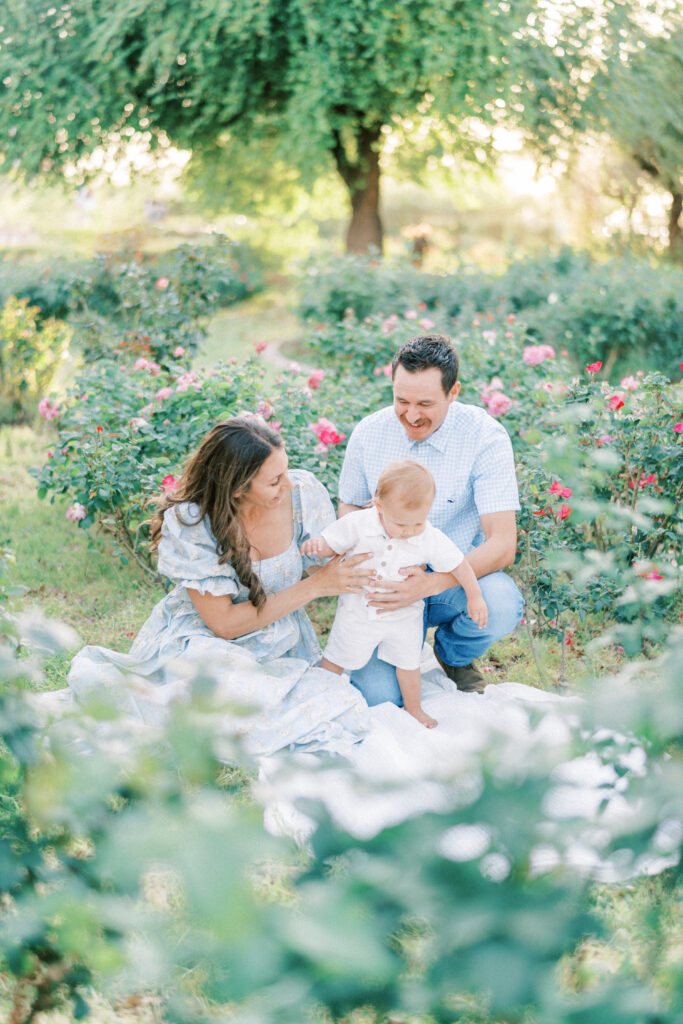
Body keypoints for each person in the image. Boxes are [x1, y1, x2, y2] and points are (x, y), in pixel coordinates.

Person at [65, 416, 375, 758]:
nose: (287, 484)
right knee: (221, 693)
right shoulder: (193, 521)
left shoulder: (302, 493)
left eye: (285, 471)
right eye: (274, 481)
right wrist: (315, 587)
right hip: (204, 641)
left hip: (281, 638)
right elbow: (224, 625)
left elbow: (325, 564)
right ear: (238, 488)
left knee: (338, 704)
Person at [337, 333, 524, 705]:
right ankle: (391, 653)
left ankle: (452, 655)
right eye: (401, 400)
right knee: (379, 699)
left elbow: (502, 544)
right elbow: (350, 510)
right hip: (385, 588)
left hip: (452, 581)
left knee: (503, 603)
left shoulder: (485, 437)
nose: (411, 414)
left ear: (453, 392)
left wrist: (431, 583)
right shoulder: (369, 433)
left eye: (425, 403)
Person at [302, 460, 488, 729]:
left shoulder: (429, 536)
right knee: (337, 656)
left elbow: (459, 563)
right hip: (359, 612)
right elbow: (333, 544)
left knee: (408, 664)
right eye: (401, 524)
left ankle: (414, 708)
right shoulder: (359, 524)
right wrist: (318, 546)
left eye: (418, 523)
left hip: (405, 616)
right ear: (379, 507)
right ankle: (317, 698)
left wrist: (475, 595)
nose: (410, 531)